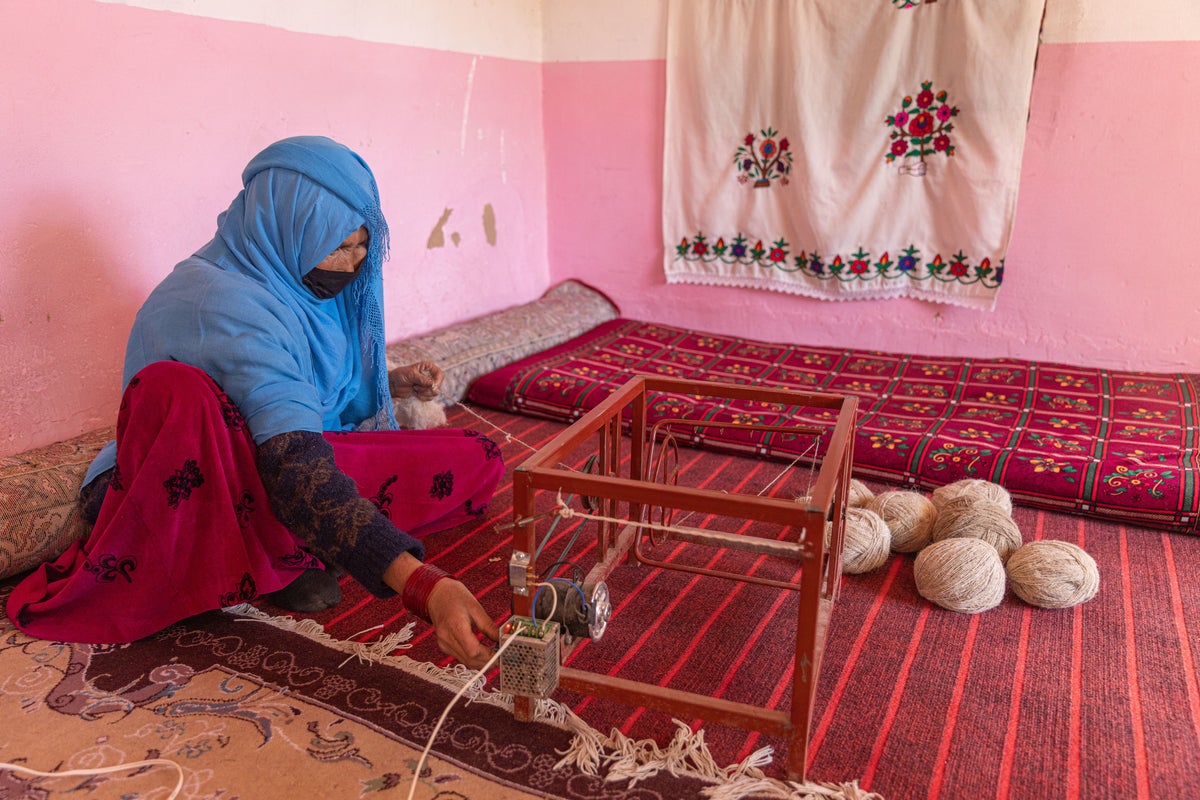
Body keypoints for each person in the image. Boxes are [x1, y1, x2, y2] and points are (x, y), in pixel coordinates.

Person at [6, 136, 504, 669]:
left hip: (283, 457)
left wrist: (391, 381)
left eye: (362, 246)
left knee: (475, 456)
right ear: (284, 225)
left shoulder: (296, 286)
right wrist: (426, 587)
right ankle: (289, 556)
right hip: (194, 490)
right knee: (201, 408)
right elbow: (296, 471)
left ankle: (292, 553)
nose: (354, 263)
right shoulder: (220, 300)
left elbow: (305, 397)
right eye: (338, 246)